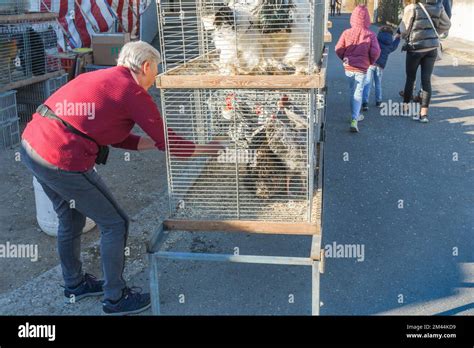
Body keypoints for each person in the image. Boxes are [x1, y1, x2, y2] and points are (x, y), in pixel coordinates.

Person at [20, 41, 222, 315]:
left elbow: (118, 137)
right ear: (147, 66)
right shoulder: (131, 91)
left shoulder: (104, 77)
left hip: (34, 143)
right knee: (115, 223)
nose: (155, 78)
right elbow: (169, 141)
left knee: (71, 217)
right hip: (61, 155)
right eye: (156, 70)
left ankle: (75, 284)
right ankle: (115, 299)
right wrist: (206, 149)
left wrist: (155, 143)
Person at [399, 0, 451, 123]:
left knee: (410, 78)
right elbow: (447, 24)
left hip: (415, 48)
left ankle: (406, 109)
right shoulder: (439, 6)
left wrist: (404, 35)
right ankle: (423, 114)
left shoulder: (412, 7)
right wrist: (433, 34)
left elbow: (404, 29)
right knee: (426, 80)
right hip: (432, 48)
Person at [335, 5, 381, 133]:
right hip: (362, 68)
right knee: (358, 92)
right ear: (367, 19)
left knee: (352, 91)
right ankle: (355, 119)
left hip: (348, 67)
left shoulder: (346, 32)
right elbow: (376, 52)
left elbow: (338, 49)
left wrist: (344, 58)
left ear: (352, 18)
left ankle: (354, 115)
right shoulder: (371, 35)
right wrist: (370, 62)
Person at [362, 26, 401, 111]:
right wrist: (398, 38)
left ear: (380, 32)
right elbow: (395, 45)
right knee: (378, 83)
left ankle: (365, 103)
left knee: (367, 83)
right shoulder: (390, 45)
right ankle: (378, 101)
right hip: (380, 66)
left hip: (371, 64)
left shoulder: (375, 40)